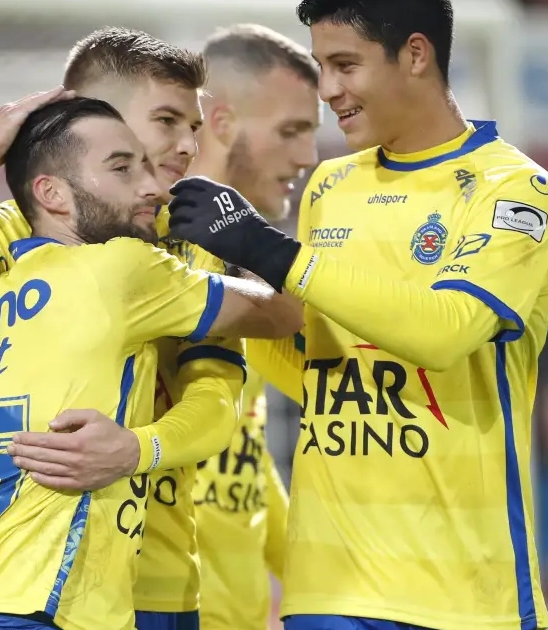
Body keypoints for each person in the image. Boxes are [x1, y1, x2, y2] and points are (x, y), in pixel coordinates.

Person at [163, 1, 548, 628]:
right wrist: (213, 288)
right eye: (322, 67)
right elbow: (319, 367)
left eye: (345, 65)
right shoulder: (331, 188)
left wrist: (269, 253)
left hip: (462, 594)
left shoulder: (517, 192)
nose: (328, 90)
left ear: (415, 54)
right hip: (329, 587)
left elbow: (445, 332)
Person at [0, 28, 302, 630]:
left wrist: (136, 448)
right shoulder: (2, 233)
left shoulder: (193, 246)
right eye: (167, 121)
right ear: (93, 118)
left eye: (193, 126)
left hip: (162, 581)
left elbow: (218, 399)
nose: (189, 145)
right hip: (62, 590)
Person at [181, 24, 319, 630]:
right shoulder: (152, 254)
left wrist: (313, 581)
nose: (307, 156)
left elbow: (245, 456)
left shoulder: (244, 265)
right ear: (221, 122)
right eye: (291, 131)